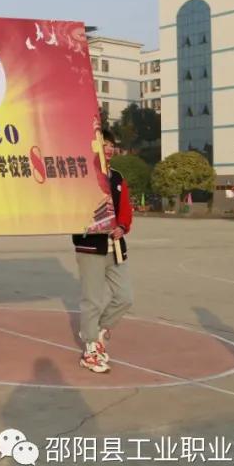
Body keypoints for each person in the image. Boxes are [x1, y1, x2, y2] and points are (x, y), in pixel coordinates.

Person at [71, 128, 134, 374]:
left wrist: (122, 226)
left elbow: (126, 209)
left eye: (111, 145)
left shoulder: (117, 177)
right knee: (93, 301)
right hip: (90, 247)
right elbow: (74, 207)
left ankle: (97, 333)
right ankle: (90, 350)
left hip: (115, 247)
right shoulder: (83, 174)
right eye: (104, 144)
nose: (109, 148)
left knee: (125, 296)